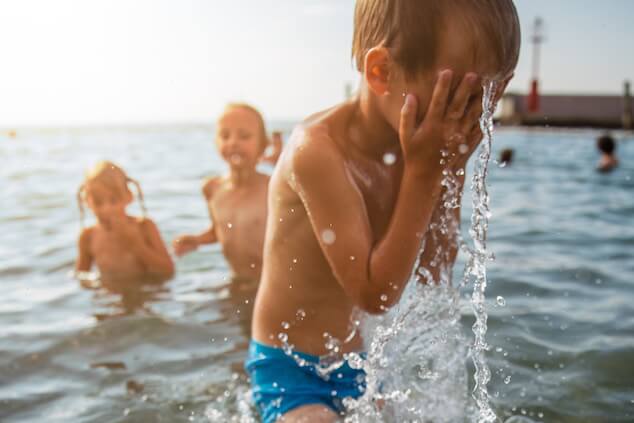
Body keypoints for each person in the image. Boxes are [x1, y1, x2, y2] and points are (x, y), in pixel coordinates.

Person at [246, 0, 521, 421]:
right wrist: (426, 173)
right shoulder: (318, 152)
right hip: (289, 368)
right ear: (381, 73)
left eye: (479, 105)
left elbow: (435, 272)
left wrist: (452, 170)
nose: (464, 122)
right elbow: (374, 294)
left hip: (356, 364)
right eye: (455, 101)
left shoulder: (417, 153)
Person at [172, 103, 274, 282]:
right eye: (225, 136)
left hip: (271, 286)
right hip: (236, 281)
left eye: (244, 136)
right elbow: (220, 231)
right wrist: (197, 240)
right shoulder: (212, 188)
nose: (233, 143)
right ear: (216, 142)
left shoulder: (272, 189)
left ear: (263, 145)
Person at [75, 161, 174, 283]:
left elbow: (168, 270)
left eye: (114, 200)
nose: (106, 209)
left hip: (147, 293)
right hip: (109, 298)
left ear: (129, 196)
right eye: (98, 202)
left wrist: (136, 245)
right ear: (87, 202)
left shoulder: (144, 227)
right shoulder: (87, 237)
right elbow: (81, 276)